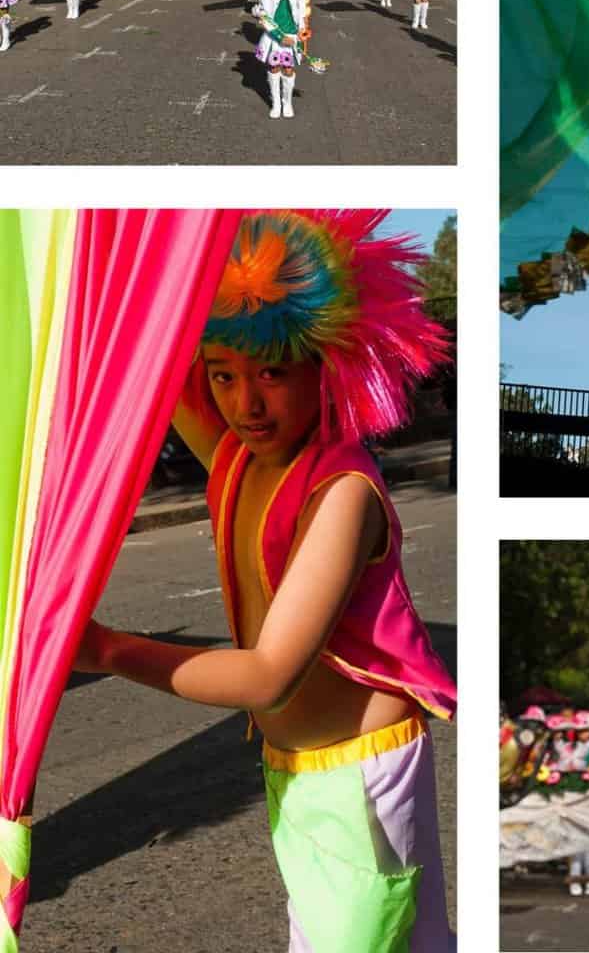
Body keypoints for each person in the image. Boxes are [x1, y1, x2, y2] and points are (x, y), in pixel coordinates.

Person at [72, 209, 457, 951]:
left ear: (329, 362)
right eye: (223, 374)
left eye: (272, 372)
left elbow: (267, 675)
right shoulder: (235, 459)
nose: (245, 402)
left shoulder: (342, 492)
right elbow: (144, 346)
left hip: (361, 783)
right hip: (294, 773)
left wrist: (110, 650)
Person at [254, 0, 312, 120]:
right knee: (274, 68)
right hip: (274, 38)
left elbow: (303, 18)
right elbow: (264, 18)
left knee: (288, 69)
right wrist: (279, 36)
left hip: (291, 38)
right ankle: (276, 103)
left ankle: (287, 102)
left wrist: (302, 37)